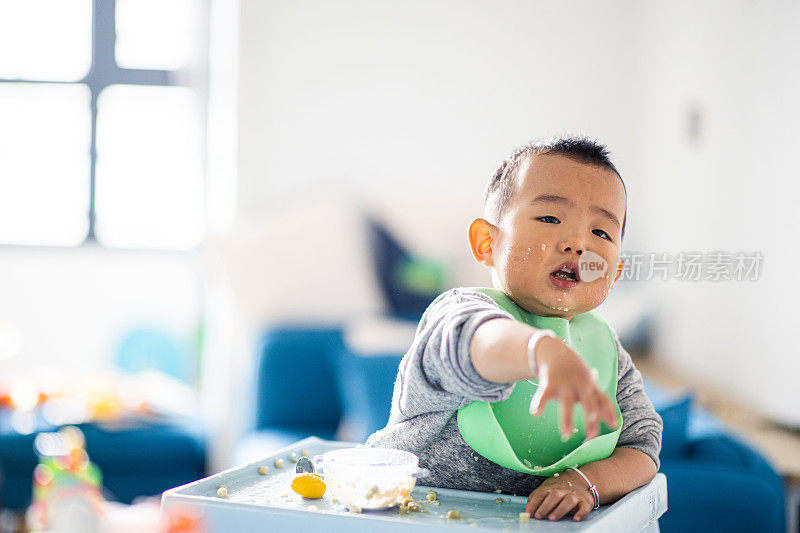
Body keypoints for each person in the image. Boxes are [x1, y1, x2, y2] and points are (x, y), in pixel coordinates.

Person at [365, 136, 663, 522]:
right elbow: (478, 343)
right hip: (408, 514)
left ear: (615, 271)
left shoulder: (605, 350)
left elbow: (642, 448)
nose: (577, 243)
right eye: (550, 219)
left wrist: (584, 482)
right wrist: (541, 351)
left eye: (601, 233)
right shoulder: (460, 313)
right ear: (487, 242)